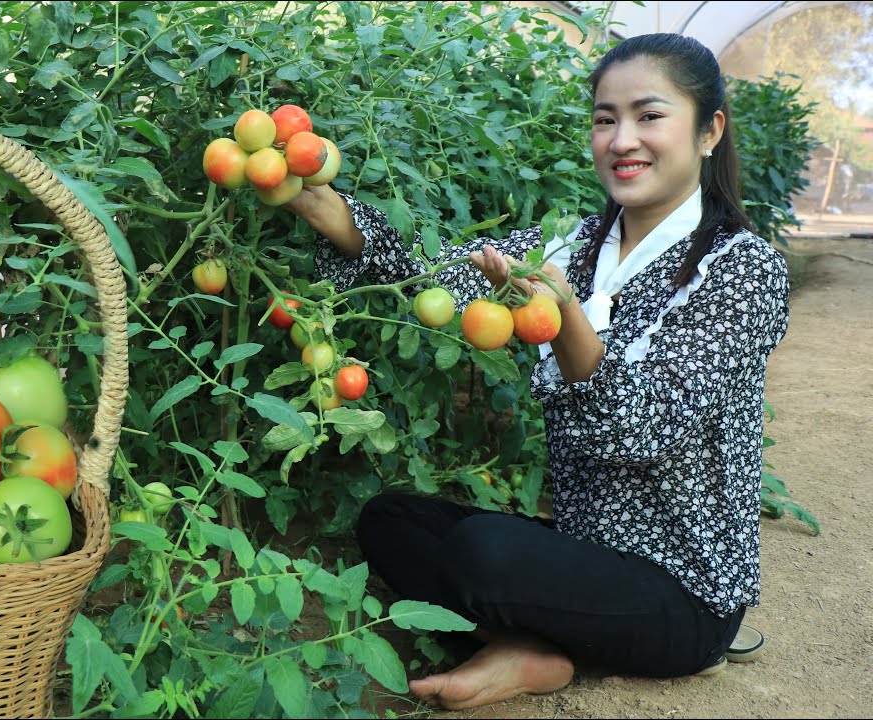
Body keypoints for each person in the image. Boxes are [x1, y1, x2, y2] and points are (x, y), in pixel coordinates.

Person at [283, 33, 790, 711]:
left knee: (484, 553)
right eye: (605, 119)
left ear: (708, 131)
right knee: (390, 519)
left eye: (649, 115)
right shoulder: (574, 245)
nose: (621, 138)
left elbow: (646, 427)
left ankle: (533, 640)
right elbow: (436, 277)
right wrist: (316, 203)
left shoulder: (742, 268)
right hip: (584, 558)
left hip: (681, 591)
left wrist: (567, 315)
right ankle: (541, 644)